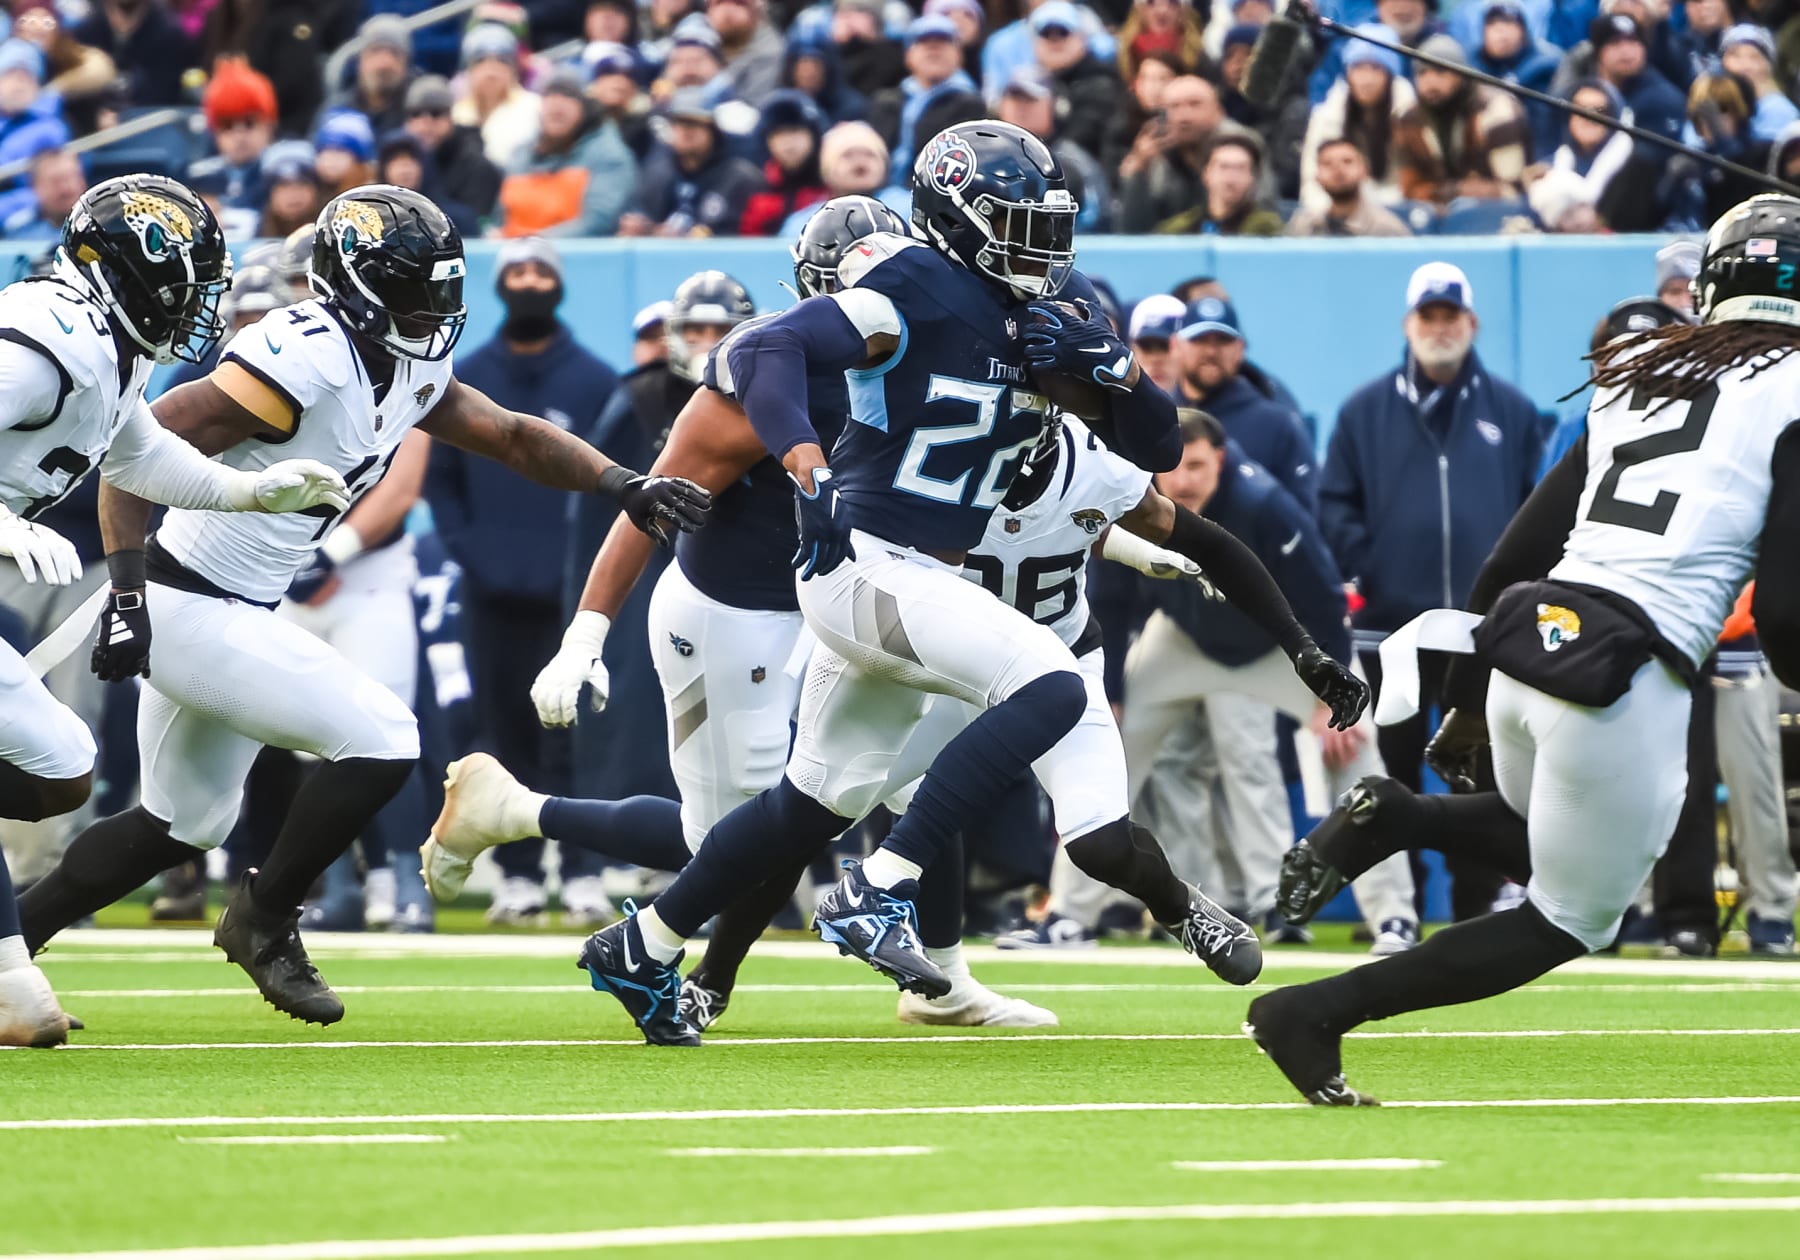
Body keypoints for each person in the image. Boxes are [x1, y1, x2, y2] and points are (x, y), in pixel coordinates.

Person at [570, 121, 1367, 1045]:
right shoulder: (910, 284)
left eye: (1049, 223)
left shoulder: (1029, 317)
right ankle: (879, 890)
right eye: (1022, 223)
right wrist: (805, 466)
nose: (1044, 243)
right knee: (1054, 682)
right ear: (961, 217)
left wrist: (1117, 370)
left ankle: (646, 941)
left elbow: (1157, 449)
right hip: (871, 562)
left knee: (810, 800)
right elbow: (762, 354)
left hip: (902, 581)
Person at [16, 186, 711, 1027]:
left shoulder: (408, 357)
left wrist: (621, 483)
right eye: (420, 289)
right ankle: (265, 919)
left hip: (233, 603)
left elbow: (512, 436)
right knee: (384, 739)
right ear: (360, 285)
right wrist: (125, 592)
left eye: (445, 288)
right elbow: (140, 448)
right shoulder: (300, 359)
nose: (437, 308)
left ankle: (14, 940)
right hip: (185, 600)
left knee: (179, 824)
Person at [1249, 192, 1800, 1104]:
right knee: (1570, 917)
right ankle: (1312, 1014)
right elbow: (1783, 618)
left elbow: (1510, 557)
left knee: (1539, 827)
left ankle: (1399, 812)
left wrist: (1469, 697)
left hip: (1524, 643)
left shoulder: (1640, 367)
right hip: (1625, 671)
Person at [0, 175, 351, 1045]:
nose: (198, 304)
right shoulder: (47, 336)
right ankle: (10, 984)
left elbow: (141, 456)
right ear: (126, 271)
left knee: (60, 766)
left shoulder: (112, 346)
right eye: (185, 283)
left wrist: (250, 492)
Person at [1026, 412, 1416, 954]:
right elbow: (1111, 604)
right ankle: (1068, 914)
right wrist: (1110, 689)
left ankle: (1394, 917)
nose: (1185, 481)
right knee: (1103, 745)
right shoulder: (1127, 492)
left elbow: (1325, 599)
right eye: (1176, 468)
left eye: (1200, 467)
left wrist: (1332, 692)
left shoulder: (1267, 506)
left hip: (1275, 643)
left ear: (1222, 462)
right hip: (1181, 640)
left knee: (1355, 744)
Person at [1317, 261, 1543, 920]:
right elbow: (1335, 505)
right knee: (1393, 774)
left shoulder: (1512, 410)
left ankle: (1475, 908)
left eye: (1451, 316)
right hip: (1393, 632)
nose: (1440, 328)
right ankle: (1399, 913)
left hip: (1481, 633)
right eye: (1429, 316)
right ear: (1408, 324)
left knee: (1477, 771)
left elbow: (1537, 505)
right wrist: (1374, 566)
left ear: (1471, 323)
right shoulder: (1364, 411)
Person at [425, 238, 624, 928]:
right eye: (518, 272)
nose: (531, 282)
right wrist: (474, 555)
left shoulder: (598, 381)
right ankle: (513, 877)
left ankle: (582, 871)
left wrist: (580, 570)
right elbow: (442, 484)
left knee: (574, 734)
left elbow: (609, 486)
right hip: (489, 591)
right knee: (500, 729)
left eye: (542, 272)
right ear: (500, 284)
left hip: (569, 595)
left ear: (559, 285)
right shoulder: (467, 374)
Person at [1169, 296, 1315, 505]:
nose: (1211, 351)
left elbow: (1302, 518)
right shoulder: (1158, 417)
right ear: (1175, 345)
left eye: (1222, 341)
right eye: (1199, 340)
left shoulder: (1278, 425)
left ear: (1240, 348)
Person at [1393, 33, 1532, 206]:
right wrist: (1455, 191)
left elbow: (1511, 188)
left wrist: (1450, 192)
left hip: (1493, 213)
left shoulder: (1496, 109)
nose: (1430, 81)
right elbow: (1410, 191)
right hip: (1435, 216)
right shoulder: (1408, 118)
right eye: (1422, 73)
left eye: (1440, 71)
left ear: (1461, 74)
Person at [497, 68, 637, 237]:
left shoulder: (609, 155)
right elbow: (499, 219)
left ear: (586, 108)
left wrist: (532, 244)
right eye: (550, 95)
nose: (558, 103)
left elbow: (598, 222)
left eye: (569, 95)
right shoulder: (520, 155)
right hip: (514, 255)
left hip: (578, 259)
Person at [1299, 28, 1415, 214]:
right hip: (1335, 210)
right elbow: (1312, 178)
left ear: (1390, 75)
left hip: (1395, 212)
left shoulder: (1409, 115)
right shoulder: (1328, 115)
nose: (1366, 79)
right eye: (1358, 67)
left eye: (1376, 68)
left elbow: (1410, 181)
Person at [618, 91, 764, 237]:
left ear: (714, 131)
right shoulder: (658, 173)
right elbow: (644, 216)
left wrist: (682, 236)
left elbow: (743, 237)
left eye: (695, 124)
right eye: (679, 123)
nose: (686, 132)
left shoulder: (740, 178)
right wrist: (644, 228)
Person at [995, 66, 1110, 232]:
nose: (1020, 108)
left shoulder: (1076, 162)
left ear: (1055, 107)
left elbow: (1096, 223)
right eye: (1014, 98)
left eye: (1030, 100)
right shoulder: (985, 157)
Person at [872, 13, 984, 177]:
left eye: (943, 42)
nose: (934, 49)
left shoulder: (972, 105)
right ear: (908, 55)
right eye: (924, 42)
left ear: (959, 55)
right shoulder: (884, 101)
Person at [1116, 74, 1226, 232]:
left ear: (1219, 111)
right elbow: (1132, 231)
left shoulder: (1240, 148)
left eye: (1195, 104)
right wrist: (1139, 172)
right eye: (1174, 107)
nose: (1184, 117)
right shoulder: (1153, 157)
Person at [1028, 0, 1121, 163]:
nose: (1055, 40)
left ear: (1082, 38)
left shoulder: (1100, 83)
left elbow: (1077, 143)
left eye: (1063, 32)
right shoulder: (1034, 83)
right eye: (1046, 33)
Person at [405, 76, 504, 222]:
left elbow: (475, 226)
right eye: (416, 113)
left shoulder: (476, 166)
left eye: (436, 112)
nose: (425, 122)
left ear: (451, 117)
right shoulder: (398, 156)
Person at [1472, 1, 1562, 157]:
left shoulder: (1546, 65)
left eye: (1509, 23)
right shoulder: (1471, 65)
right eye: (1493, 24)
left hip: (1540, 153)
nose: (1501, 32)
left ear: (1523, 30)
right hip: (1487, 156)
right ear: (1483, 32)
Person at [189, 58, 278, 212]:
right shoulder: (202, 179)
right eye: (227, 125)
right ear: (215, 132)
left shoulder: (282, 175)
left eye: (249, 123)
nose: (239, 135)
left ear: (269, 126)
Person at [73, 0, 196, 110]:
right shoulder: (84, 34)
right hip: (94, 133)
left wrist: (124, 117)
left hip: (148, 129)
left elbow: (165, 97)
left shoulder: (170, 35)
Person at [1154, 132, 1285, 234]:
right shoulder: (1177, 229)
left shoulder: (1267, 229)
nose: (1231, 177)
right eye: (1223, 167)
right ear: (1206, 173)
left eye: (1240, 168)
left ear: (1252, 178)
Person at [738, 90, 829, 235]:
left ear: (814, 136)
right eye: (779, 133)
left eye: (795, 131)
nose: (788, 142)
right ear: (767, 141)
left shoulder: (834, 185)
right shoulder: (756, 189)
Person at [453, 22, 541, 171]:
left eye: (502, 60)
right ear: (468, 70)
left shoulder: (534, 108)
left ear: (513, 70)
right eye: (480, 60)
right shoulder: (456, 115)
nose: (491, 69)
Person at [1288, 138, 1411, 235]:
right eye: (1327, 163)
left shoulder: (1388, 230)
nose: (1338, 169)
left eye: (1347, 161)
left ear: (1365, 171)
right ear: (1316, 176)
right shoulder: (1302, 226)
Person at [327, 15, 418, 138]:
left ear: (406, 62)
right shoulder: (339, 111)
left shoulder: (421, 112)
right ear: (360, 60)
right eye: (375, 51)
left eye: (394, 53)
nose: (384, 63)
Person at [1719, 23, 1799, 143]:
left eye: (1754, 57)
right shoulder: (1714, 99)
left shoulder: (1777, 108)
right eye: (1735, 55)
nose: (1744, 66)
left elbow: (1762, 158)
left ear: (1767, 66)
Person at [706, 0, 785, 105]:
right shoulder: (697, 40)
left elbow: (756, 105)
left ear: (757, 12)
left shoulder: (769, 51)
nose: (727, 11)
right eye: (720, 3)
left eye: (739, 4)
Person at [1, 147, 86, 241]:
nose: (66, 189)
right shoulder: (18, 230)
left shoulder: (100, 222)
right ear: (35, 186)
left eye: (71, 178)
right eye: (56, 181)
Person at [313, 112, 377, 202]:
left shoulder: (376, 194)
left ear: (360, 159)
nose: (330, 162)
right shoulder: (313, 196)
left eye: (338, 152)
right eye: (325, 152)